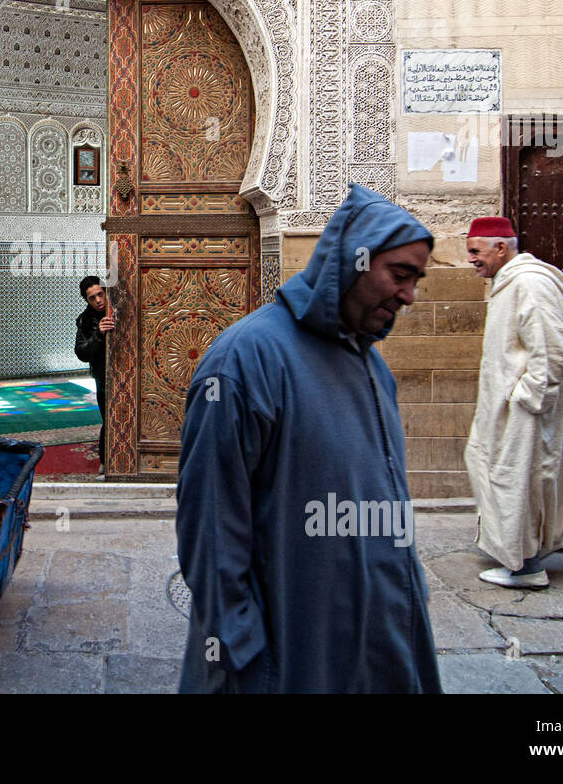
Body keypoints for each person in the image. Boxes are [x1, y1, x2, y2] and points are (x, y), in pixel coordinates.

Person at [176, 184, 442, 693]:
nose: (409, 295)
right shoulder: (245, 361)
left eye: (417, 279)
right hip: (283, 659)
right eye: (400, 274)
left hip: (377, 650)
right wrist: (241, 652)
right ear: (354, 260)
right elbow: (210, 527)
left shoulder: (371, 365)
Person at [463, 218, 563, 589]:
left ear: (501, 248)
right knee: (500, 471)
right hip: (509, 407)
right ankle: (547, 539)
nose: (471, 260)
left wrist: (526, 401)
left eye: (475, 251)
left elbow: (552, 353)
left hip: (523, 410)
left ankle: (526, 567)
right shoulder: (512, 282)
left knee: (517, 479)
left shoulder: (529, 282)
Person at [75, 275, 114, 467]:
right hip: (104, 377)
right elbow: (82, 353)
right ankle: (107, 462)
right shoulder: (86, 320)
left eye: (101, 294)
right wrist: (98, 334)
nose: (98, 300)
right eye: (92, 297)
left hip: (130, 374)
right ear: (87, 300)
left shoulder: (119, 310)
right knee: (110, 417)